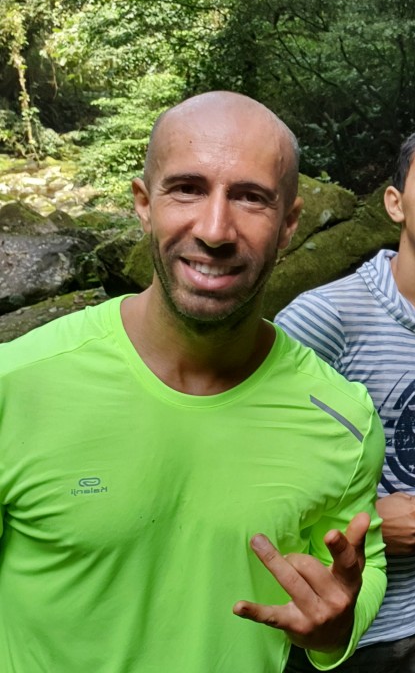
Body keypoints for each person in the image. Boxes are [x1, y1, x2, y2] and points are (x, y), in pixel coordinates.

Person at [0, 91, 387, 672]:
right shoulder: (18, 385)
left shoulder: (342, 415)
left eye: (251, 198)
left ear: (289, 225)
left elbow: (367, 561)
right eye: (187, 188)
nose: (214, 229)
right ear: (143, 203)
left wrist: (338, 627)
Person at [276, 118, 415, 673]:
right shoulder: (325, 319)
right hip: (346, 613)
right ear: (396, 203)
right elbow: (255, 466)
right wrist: (372, 518)